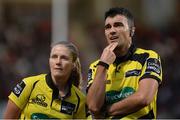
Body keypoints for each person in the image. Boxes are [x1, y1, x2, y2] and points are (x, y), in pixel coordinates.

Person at [86, 7, 162, 119]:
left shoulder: (148, 57)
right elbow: (93, 107)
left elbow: (143, 98)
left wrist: (107, 111)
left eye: (118, 25)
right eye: (108, 27)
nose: (112, 31)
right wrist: (103, 65)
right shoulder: (96, 66)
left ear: (132, 30)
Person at [4, 41, 86, 119]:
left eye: (64, 58)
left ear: (73, 64)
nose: (58, 62)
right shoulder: (29, 85)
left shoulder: (80, 100)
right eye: (54, 57)